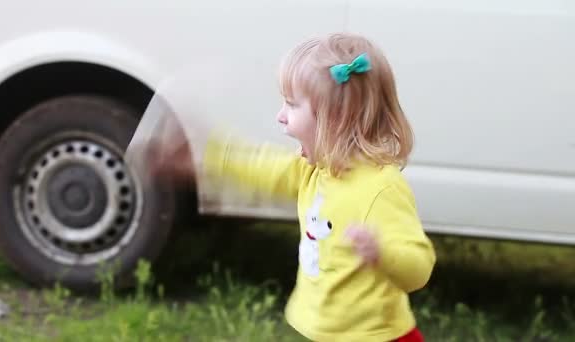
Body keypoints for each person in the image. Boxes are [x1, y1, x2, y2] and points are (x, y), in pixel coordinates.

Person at [151, 32, 436, 342]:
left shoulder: (381, 188)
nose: (281, 116)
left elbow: (419, 269)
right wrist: (204, 151)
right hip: (327, 333)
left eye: (291, 104)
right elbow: (261, 165)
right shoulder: (315, 171)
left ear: (336, 118)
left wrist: (382, 252)